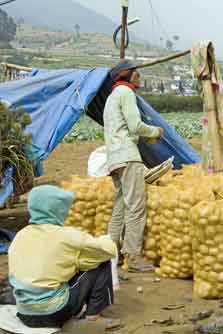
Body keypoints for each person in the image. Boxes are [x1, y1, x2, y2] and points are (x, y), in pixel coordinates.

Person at [8, 185, 120, 330]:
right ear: (58, 210)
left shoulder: (21, 234)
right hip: (54, 313)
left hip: (25, 313)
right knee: (102, 261)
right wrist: (103, 241)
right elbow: (108, 249)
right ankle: (93, 316)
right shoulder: (66, 235)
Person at [104, 60, 164, 273]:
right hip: (128, 156)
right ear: (127, 75)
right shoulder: (126, 94)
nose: (139, 76)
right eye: (136, 73)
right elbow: (135, 126)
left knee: (120, 206)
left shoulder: (112, 97)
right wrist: (156, 132)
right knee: (136, 206)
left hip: (114, 158)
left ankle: (111, 254)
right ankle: (134, 256)